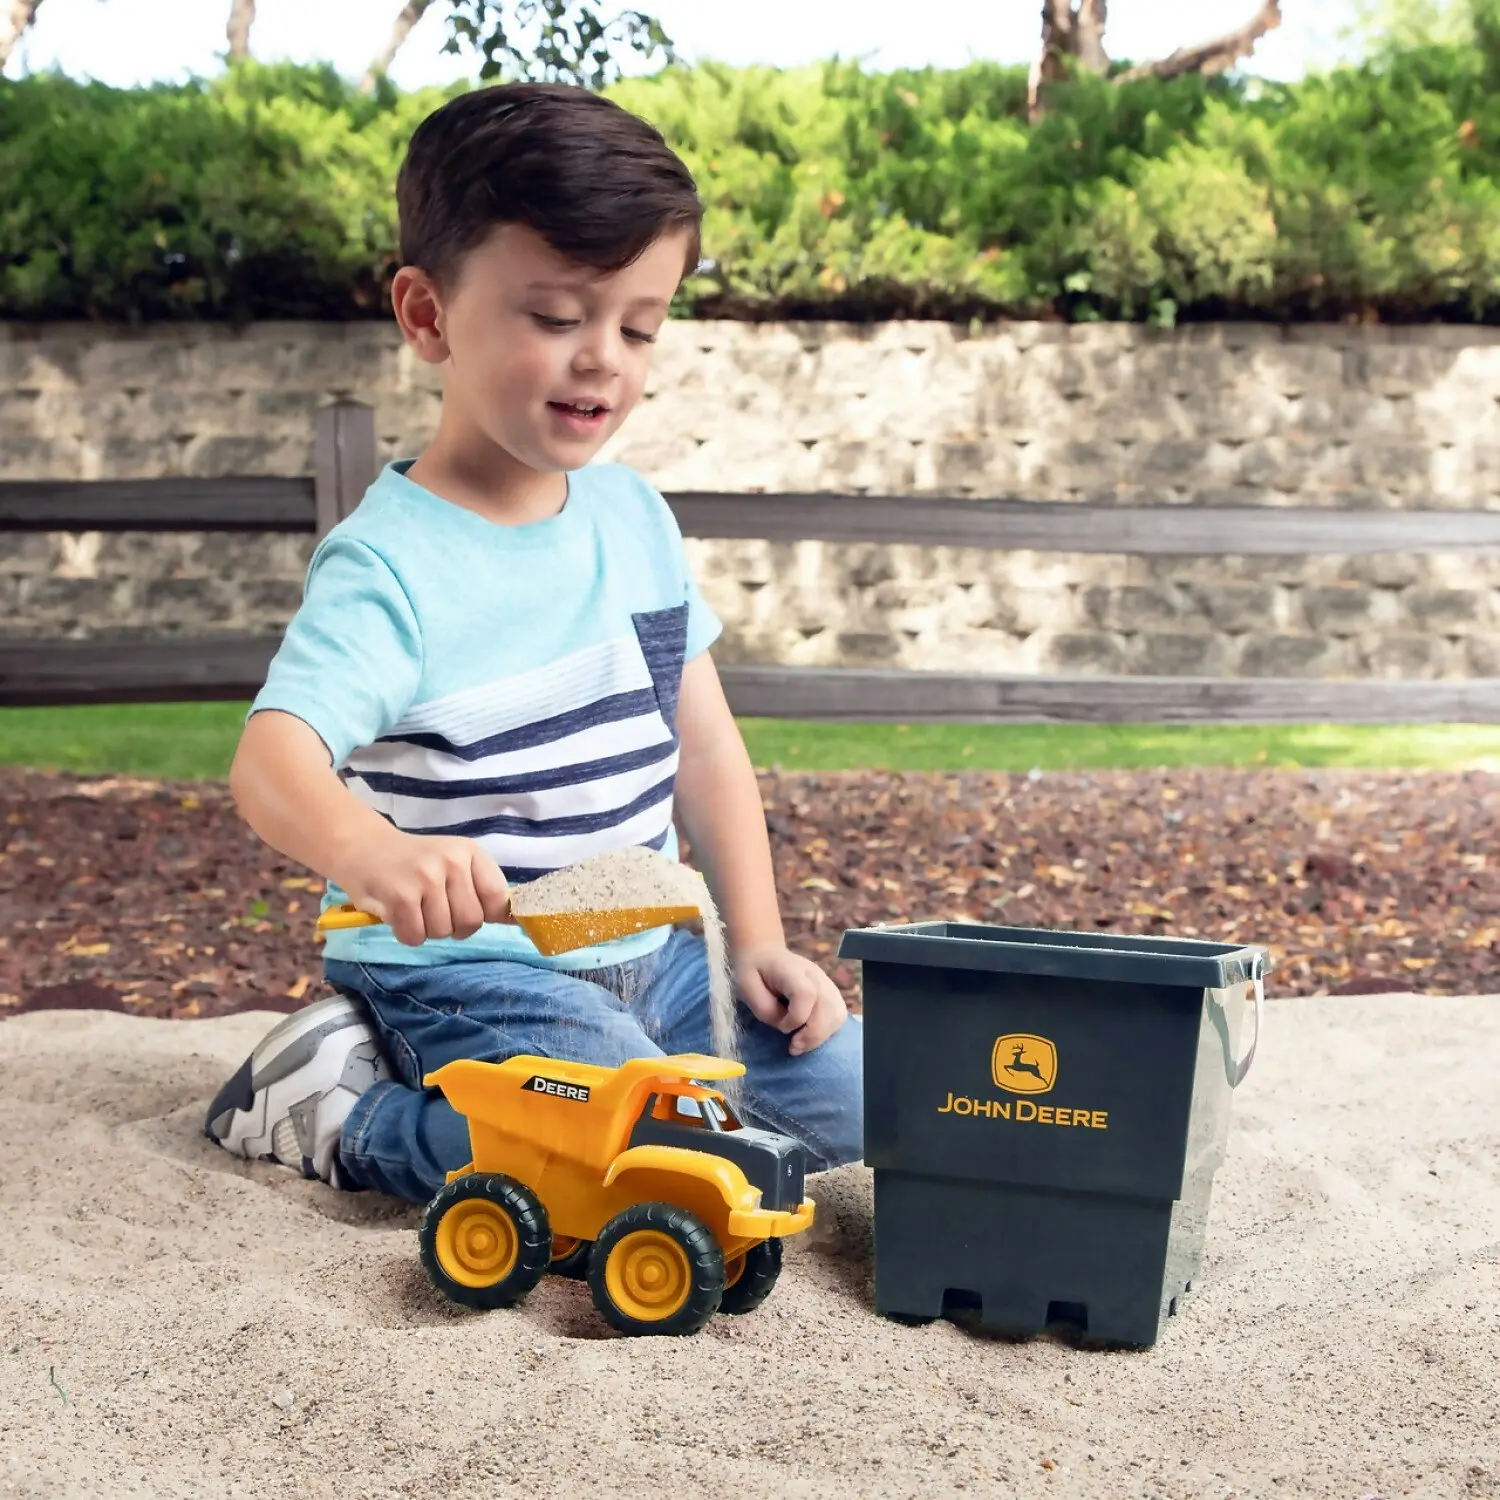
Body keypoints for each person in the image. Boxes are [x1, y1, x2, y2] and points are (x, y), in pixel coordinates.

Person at [203, 82, 863, 1204]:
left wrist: (756, 938)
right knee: (644, 1158)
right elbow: (270, 763)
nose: (603, 356)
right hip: (476, 969)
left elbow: (703, 749)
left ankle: (648, 1082)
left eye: (638, 325)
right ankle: (335, 1102)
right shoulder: (390, 568)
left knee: (863, 1110)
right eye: (557, 318)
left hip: (657, 952)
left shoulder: (634, 521)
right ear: (427, 317)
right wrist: (379, 856)